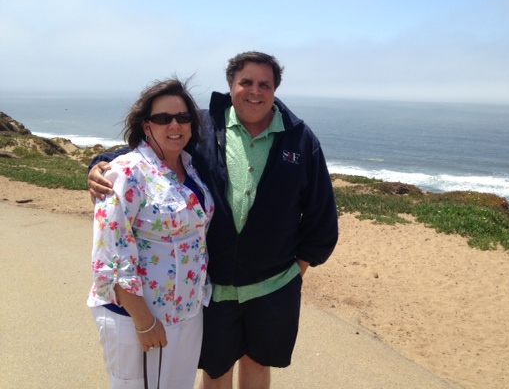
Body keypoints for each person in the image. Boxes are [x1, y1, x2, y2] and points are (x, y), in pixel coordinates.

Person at [89, 52, 339, 389]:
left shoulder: (300, 138)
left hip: (274, 285)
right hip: (214, 287)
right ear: (231, 86)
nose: (255, 91)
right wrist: (100, 163)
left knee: (258, 364)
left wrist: (297, 271)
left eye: (264, 84)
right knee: (216, 369)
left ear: (275, 89)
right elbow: (153, 151)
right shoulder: (204, 127)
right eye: (246, 82)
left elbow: (320, 213)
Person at [87, 78, 214, 389]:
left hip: (187, 311)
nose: (175, 124)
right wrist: (144, 322)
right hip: (139, 317)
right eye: (163, 118)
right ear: (146, 126)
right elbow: (111, 255)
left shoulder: (190, 166)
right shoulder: (125, 173)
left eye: (183, 117)